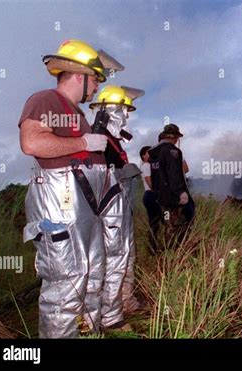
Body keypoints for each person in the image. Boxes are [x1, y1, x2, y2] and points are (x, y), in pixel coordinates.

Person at [19, 40, 124, 338]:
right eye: (96, 80)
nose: (97, 89)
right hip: (59, 204)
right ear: (80, 75)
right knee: (66, 283)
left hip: (84, 207)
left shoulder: (77, 114)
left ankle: (87, 333)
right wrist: (83, 143)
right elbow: (32, 143)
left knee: (91, 274)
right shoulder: (46, 100)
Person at [89, 85, 145, 324]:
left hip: (122, 210)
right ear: (113, 111)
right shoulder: (98, 140)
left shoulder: (113, 141)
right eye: (124, 110)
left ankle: (125, 301)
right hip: (109, 214)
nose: (127, 116)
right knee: (112, 259)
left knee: (126, 256)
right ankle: (107, 313)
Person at [148, 124, 195, 250]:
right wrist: (181, 192)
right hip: (172, 197)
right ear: (175, 137)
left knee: (166, 224)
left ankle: (162, 252)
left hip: (160, 195)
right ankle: (173, 254)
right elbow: (174, 174)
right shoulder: (172, 151)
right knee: (176, 225)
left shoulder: (154, 153)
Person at [139, 146, 159, 254]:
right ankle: (153, 249)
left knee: (155, 223)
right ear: (143, 156)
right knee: (155, 223)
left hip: (151, 195)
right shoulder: (146, 166)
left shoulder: (150, 166)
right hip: (151, 195)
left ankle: (154, 247)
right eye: (148, 153)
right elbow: (150, 183)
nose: (151, 155)